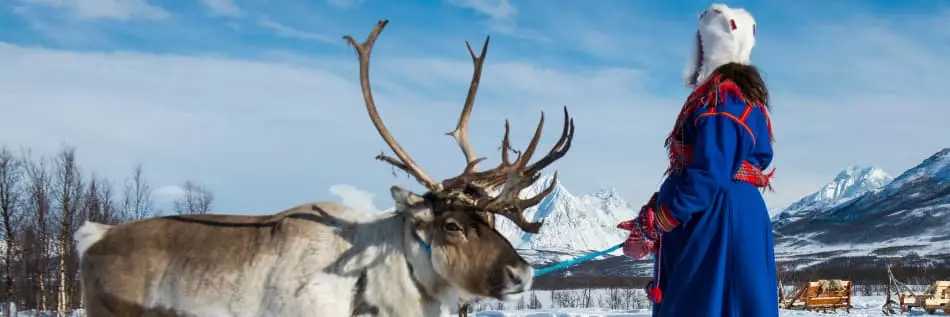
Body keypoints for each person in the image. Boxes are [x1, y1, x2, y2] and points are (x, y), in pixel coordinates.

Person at [617, 3, 779, 316]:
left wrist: (658, 222)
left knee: (707, 303)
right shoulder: (731, 97)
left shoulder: (724, 98)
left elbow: (708, 174)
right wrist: (655, 212)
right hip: (717, 213)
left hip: (718, 218)